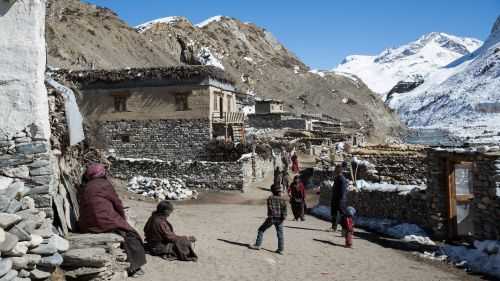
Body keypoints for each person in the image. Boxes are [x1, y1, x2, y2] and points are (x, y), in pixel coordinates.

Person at [78, 163, 146, 277]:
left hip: (86, 224)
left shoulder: (85, 186)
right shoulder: (105, 184)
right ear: (101, 173)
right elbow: (117, 203)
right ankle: (134, 268)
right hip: (102, 222)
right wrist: (122, 219)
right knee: (130, 235)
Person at [249, 184, 287, 254]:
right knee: (280, 234)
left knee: (261, 229)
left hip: (272, 218)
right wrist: (283, 217)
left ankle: (257, 245)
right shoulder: (283, 199)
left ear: (272, 191)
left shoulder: (270, 198)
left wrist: (271, 216)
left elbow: (270, 209)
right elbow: (284, 209)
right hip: (280, 219)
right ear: (279, 191)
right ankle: (281, 249)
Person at [330, 163, 348, 232]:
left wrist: (341, 200)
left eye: (336, 169)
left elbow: (342, 191)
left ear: (339, 170)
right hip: (335, 198)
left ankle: (345, 228)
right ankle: (334, 227)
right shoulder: (337, 178)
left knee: (342, 215)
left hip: (340, 200)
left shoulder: (342, 179)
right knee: (334, 213)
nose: (334, 171)